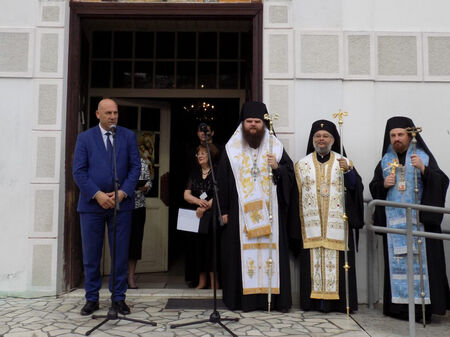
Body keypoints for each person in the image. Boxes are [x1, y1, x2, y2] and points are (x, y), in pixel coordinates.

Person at [217, 101, 297, 312]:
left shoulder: (275, 148)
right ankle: (242, 301)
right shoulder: (231, 149)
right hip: (239, 217)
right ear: (242, 124)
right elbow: (222, 182)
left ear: (264, 124)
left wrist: (277, 168)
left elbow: (290, 178)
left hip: (271, 216)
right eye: (249, 121)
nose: (253, 125)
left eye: (257, 121)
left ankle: (273, 300)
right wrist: (224, 211)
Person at [369, 116, 450, 322]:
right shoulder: (385, 161)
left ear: (410, 135)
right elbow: (374, 186)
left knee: (425, 268)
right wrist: (383, 185)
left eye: (400, 135)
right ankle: (398, 309)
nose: (397, 139)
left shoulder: (423, 157)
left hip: (420, 225)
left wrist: (424, 170)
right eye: (393, 135)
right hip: (395, 228)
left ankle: (426, 309)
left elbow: (441, 181)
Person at [73, 98, 141, 316]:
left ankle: (118, 298)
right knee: (91, 254)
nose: (113, 116)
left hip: (121, 205)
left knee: (120, 253)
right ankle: (91, 298)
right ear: (97, 114)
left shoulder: (128, 136)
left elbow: (135, 167)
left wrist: (123, 192)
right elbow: (79, 171)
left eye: (116, 113)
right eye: (108, 113)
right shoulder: (85, 138)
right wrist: (97, 194)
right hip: (92, 205)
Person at [294, 120, 364, 313]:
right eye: (318, 136)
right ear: (313, 139)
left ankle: (338, 304)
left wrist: (348, 172)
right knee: (312, 264)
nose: (321, 139)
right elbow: (294, 197)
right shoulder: (302, 165)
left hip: (337, 227)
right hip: (311, 226)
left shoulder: (345, 162)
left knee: (339, 265)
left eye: (325, 136)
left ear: (333, 140)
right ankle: (313, 303)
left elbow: (355, 188)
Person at [183, 145, 219, 289]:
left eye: (203, 153)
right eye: (198, 153)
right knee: (198, 249)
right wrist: (198, 202)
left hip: (211, 216)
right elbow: (186, 194)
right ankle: (202, 281)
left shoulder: (216, 172)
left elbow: (219, 194)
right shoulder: (194, 173)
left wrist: (205, 207)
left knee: (211, 250)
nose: (200, 156)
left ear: (210, 155)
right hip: (196, 217)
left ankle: (214, 283)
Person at [127, 157, 152, 289]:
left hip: (138, 207)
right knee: (121, 243)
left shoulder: (143, 163)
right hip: (122, 206)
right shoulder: (119, 160)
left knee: (135, 243)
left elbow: (149, 182)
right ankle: (119, 277)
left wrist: (145, 187)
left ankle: (131, 277)